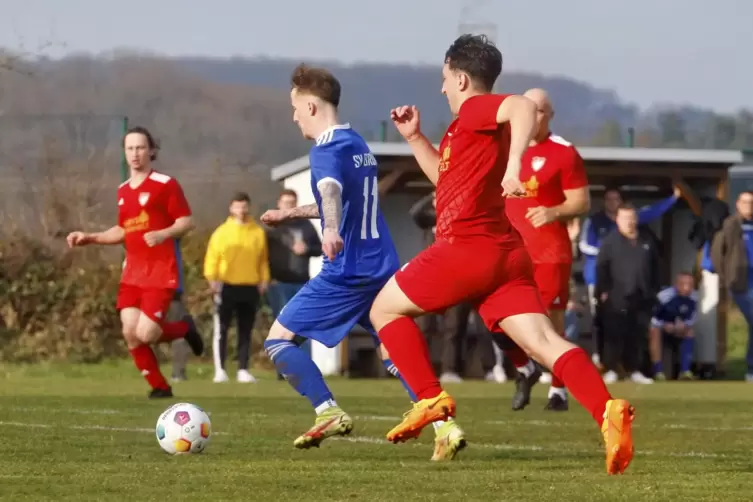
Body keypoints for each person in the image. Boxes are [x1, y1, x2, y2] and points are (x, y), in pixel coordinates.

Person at [369, 34, 634, 475]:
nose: (441, 89)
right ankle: (608, 411)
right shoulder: (468, 127)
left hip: (465, 250)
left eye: (444, 79)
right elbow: (447, 182)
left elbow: (524, 106)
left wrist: (514, 167)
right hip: (506, 255)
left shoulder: (477, 109)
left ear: (461, 77)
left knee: (384, 311)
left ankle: (431, 398)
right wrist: (415, 138)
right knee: (546, 343)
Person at [259, 63, 463, 461]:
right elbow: (341, 199)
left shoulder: (324, 150)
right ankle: (445, 425)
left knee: (277, 340)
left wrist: (331, 230)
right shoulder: (356, 145)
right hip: (381, 264)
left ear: (313, 107)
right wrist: (290, 215)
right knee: (393, 351)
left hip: (347, 271)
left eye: (296, 107)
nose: (294, 116)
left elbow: (330, 192)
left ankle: (327, 411)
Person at [66, 126, 203, 398]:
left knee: (147, 334)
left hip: (161, 272)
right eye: (130, 148)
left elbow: (187, 221)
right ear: (124, 153)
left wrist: (163, 233)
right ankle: (160, 387)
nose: (135, 153)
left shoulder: (165, 184)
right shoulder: (123, 191)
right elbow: (123, 230)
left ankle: (184, 328)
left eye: (140, 147)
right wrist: (90, 237)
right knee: (131, 333)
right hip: (132, 274)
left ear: (151, 150)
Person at [499, 88, 591, 412]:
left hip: (548, 251)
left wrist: (553, 212)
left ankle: (559, 389)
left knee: (550, 322)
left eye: (538, 111)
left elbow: (581, 200)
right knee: (499, 317)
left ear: (549, 115)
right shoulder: (505, 146)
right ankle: (525, 367)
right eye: (527, 109)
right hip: (508, 249)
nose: (531, 116)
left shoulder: (564, 152)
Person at [580, 186, 681, 367]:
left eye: (615, 199)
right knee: (603, 321)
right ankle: (600, 358)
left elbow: (652, 211)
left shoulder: (641, 235)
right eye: (609, 199)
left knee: (635, 327)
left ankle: (633, 367)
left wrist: (673, 198)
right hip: (599, 282)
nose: (612, 202)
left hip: (636, 288)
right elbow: (584, 246)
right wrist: (607, 252)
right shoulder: (595, 222)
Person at [204, 192, 270, 383]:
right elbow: (212, 259)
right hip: (226, 286)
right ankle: (220, 370)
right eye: (237, 206)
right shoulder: (221, 232)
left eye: (244, 206)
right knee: (222, 329)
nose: (241, 210)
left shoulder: (257, 232)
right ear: (231, 208)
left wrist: (264, 280)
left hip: (250, 287)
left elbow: (263, 260)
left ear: (248, 207)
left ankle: (243, 369)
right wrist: (212, 280)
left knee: (246, 330)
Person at [595, 203, 661, 384]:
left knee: (638, 335)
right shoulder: (610, 242)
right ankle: (612, 369)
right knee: (614, 335)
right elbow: (601, 268)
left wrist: (654, 290)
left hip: (643, 296)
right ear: (617, 220)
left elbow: (655, 267)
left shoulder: (647, 240)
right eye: (625, 218)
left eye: (632, 218)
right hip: (617, 296)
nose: (629, 222)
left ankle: (635, 370)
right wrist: (603, 291)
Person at [710, 190, 753, 382]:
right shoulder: (731, 225)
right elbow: (717, 253)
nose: (748, 206)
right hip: (741, 283)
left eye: (751, 203)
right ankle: (751, 368)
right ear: (737, 204)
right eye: (745, 202)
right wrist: (726, 277)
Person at [649, 272, 698, 380]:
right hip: (662, 328)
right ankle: (658, 371)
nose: (686, 288)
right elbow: (652, 318)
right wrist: (664, 325)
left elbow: (693, 318)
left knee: (690, 332)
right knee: (654, 331)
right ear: (677, 285)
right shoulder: (663, 296)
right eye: (683, 284)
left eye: (690, 284)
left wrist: (683, 325)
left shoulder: (694, 297)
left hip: (678, 329)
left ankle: (685, 371)